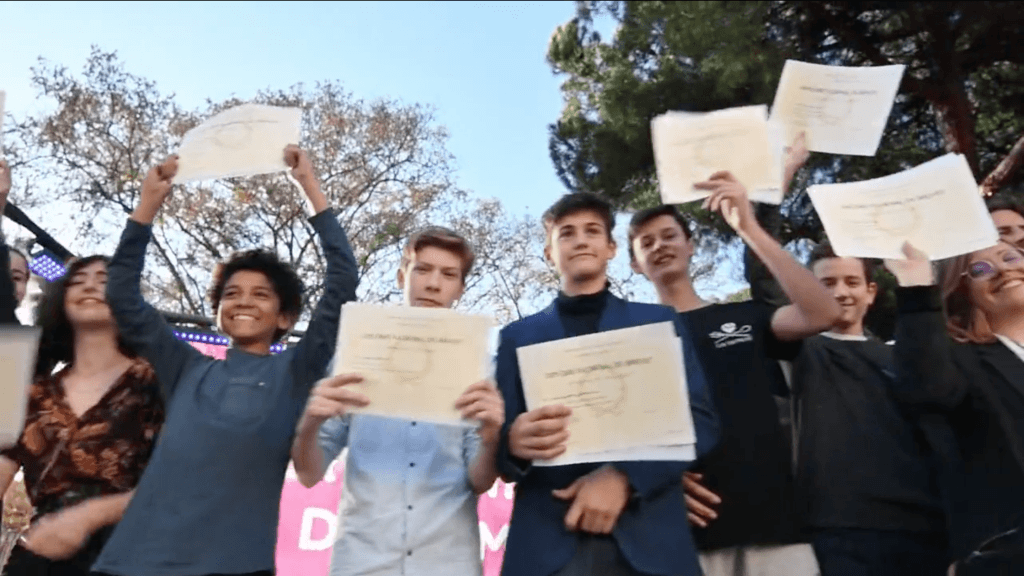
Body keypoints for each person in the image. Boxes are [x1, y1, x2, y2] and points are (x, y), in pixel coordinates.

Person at [90, 146, 359, 576]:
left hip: (237, 564)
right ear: (217, 312)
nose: (243, 302)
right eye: (231, 294)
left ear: (285, 317)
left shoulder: (296, 371)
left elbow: (342, 280)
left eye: (261, 294)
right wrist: (147, 206)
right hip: (135, 561)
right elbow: (122, 296)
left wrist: (309, 187)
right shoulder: (185, 367)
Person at [627, 169, 840, 575]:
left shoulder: (745, 316)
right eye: (646, 242)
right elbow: (618, 437)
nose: (660, 246)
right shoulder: (631, 343)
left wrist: (749, 229)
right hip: (683, 540)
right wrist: (655, 482)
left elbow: (824, 312)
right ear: (635, 264)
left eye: (669, 236)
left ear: (690, 245)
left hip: (776, 530)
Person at [494, 192, 719, 576]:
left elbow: (699, 420)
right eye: (567, 233)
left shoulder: (659, 323)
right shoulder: (517, 337)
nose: (581, 240)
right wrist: (512, 445)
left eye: (592, 231)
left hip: (651, 538)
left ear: (612, 248)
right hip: (548, 542)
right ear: (549, 253)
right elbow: (500, 448)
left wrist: (626, 476)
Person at [290, 226, 504, 576]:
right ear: (402, 276)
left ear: (461, 289)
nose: (433, 284)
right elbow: (309, 474)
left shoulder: (481, 370)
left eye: (448, 274)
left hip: (448, 564)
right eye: (423, 269)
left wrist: (493, 435)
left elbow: (479, 480)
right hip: (361, 563)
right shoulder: (354, 356)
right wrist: (309, 423)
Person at [787, 242, 949, 575]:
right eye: (827, 283)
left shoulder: (903, 358)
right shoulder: (799, 354)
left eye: (851, 281)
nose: (841, 292)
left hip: (923, 526)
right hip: (837, 528)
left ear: (871, 292)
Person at [0, 254, 164, 575]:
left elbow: (183, 478)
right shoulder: (32, 391)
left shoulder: (159, 381)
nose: (89, 285)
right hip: (39, 557)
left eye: (104, 280)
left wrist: (90, 516)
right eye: (77, 280)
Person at [885, 240, 1024, 574]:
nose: (1003, 270)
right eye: (980, 269)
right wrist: (917, 286)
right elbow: (926, 384)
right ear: (963, 292)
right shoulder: (962, 363)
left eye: (1010, 256)